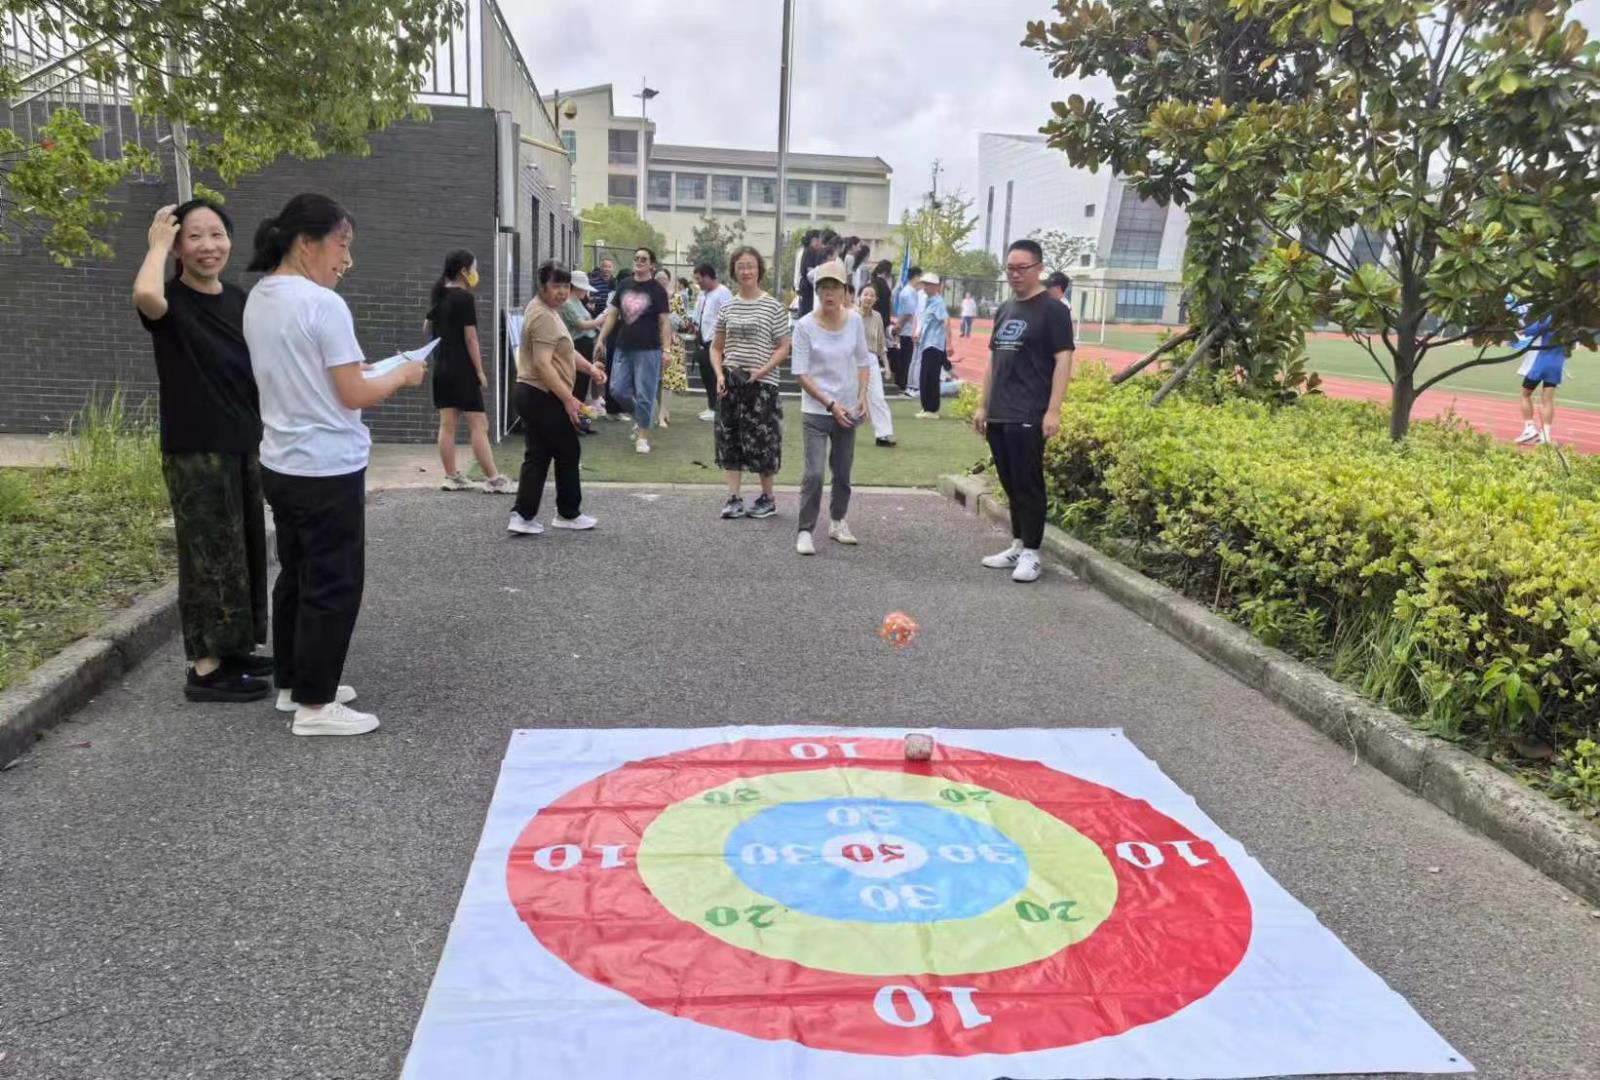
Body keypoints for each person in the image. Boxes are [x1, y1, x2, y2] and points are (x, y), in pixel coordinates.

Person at [244, 193, 426, 735]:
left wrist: (364, 371)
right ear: (307, 243)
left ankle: (296, 681)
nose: (346, 260)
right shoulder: (323, 304)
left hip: (281, 459)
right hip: (326, 465)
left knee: (298, 575)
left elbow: (311, 371)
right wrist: (402, 374)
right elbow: (353, 394)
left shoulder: (261, 296)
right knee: (333, 582)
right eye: (342, 245)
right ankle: (317, 706)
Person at [133, 199, 271, 704]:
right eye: (194, 237)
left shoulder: (237, 299)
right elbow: (144, 291)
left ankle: (234, 650)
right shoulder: (167, 301)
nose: (208, 246)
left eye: (216, 234)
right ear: (176, 247)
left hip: (242, 442)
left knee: (243, 552)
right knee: (208, 556)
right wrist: (155, 246)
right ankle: (205, 669)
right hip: (195, 448)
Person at [974, 239, 1076, 584]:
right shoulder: (1005, 309)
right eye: (1010, 268)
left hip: (1030, 410)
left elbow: (1063, 360)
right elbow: (993, 359)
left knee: (1029, 482)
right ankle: (1017, 543)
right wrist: (982, 404)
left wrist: (1053, 410)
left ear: (1039, 269)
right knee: (1010, 481)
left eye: (1022, 268)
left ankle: (1033, 551)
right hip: (1000, 411)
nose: (1015, 274)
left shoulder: (1054, 310)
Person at [508, 261, 607, 536]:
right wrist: (568, 398)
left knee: (538, 454)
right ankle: (567, 513)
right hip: (541, 393)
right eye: (556, 286)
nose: (562, 292)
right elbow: (542, 364)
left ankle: (522, 515)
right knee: (567, 450)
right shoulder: (542, 315)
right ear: (542, 287)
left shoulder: (547, 311)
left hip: (533, 393)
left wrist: (589, 368)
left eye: (566, 286)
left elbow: (563, 352)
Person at [791, 260, 872, 556]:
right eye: (823, 287)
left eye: (834, 287)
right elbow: (801, 373)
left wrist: (862, 395)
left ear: (844, 292)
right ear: (817, 291)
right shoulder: (804, 326)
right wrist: (829, 403)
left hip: (848, 408)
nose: (829, 293)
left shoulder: (854, 321)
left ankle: (838, 521)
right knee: (813, 474)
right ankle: (805, 530)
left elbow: (864, 362)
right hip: (816, 409)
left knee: (842, 472)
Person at [711, 246, 791, 520]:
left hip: (763, 384)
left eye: (751, 266)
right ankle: (733, 498)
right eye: (741, 266)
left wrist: (763, 369)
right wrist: (720, 374)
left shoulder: (773, 306)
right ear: (734, 271)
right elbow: (716, 347)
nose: (746, 271)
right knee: (729, 439)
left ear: (759, 271)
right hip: (731, 382)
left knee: (762, 441)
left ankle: (767, 497)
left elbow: (783, 347)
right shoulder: (728, 306)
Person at [426, 249, 515, 493]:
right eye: (474, 268)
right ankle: (494, 479)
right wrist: (479, 370)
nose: (476, 273)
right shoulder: (464, 298)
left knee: (447, 425)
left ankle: (451, 476)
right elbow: (471, 339)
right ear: (464, 271)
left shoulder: (439, 296)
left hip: (441, 369)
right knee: (479, 423)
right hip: (462, 369)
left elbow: (427, 324)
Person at [595, 248, 671, 453]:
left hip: (649, 349)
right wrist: (601, 339)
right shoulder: (624, 285)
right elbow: (612, 315)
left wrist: (667, 350)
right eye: (636, 258)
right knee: (616, 389)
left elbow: (664, 322)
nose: (639, 261)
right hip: (623, 347)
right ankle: (642, 418)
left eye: (644, 259)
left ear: (651, 265)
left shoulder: (657, 289)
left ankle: (642, 437)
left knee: (645, 393)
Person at [1514, 304, 1568, 445]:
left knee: (1525, 394)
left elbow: (1528, 331)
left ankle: (1529, 428)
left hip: (1541, 362)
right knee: (1548, 401)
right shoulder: (1569, 322)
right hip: (1557, 364)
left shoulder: (1548, 318)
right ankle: (1546, 435)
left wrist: (1519, 328)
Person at [560, 270, 605, 435]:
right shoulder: (567, 304)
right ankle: (573, 423)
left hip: (586, 345)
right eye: (583, 288)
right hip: (576, 345)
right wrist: (600, 320)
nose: (585, 292)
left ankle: (582, 422)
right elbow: (581, 325)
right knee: (576, 385)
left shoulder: (578, 302)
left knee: (583, 384)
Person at [857, 283, 896, 448]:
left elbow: (881, 344)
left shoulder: (878, 317)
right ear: (859, 297)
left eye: (872, 295)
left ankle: (883, 435)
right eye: (865, 294)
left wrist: (886, 366)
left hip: (871, 359)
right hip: (851, 360)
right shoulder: (851, 315)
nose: (868, 297)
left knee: (878, 397)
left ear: (876, 299)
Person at [691, 262, 731, 422]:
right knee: (706, 375)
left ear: (707, 277)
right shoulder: (703, 294)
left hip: (717, 342)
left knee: (716, 376)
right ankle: (711, 406)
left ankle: (719, 408)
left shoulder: (723, 293)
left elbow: (729, 317)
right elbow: (699, 315)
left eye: (699, 278)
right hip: (703, 339)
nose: (697, 282)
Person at [915, 272, 951, 418]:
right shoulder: (928, 301)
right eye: (925, 284)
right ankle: (926, 407)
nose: (925, 287)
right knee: (925, 376)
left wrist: (948, 344)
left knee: (930, 376)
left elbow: (946, 321)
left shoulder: (938, 302)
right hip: (927, 343)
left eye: (929, 284)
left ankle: (932, 409)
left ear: (936, 286)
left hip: (934, 344)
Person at [658, 269, 690, 427]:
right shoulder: (651, 297)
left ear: (669, 280)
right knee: (656, 380)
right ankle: (660, 412)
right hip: (652, 342)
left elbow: (684, 321)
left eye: (664, 278)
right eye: (658, 278)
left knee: (667, 380)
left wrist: (670, 323)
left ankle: (663, 413)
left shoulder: (676, 298)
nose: (661, 280)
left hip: (672, 343)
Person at [891, 266, 923, 393]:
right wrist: (899, 326)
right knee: (905, 359)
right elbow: (909, 313)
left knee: (906, 359)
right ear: (915, 276)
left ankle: (902, 383)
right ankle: (901, 384)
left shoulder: (911, 291)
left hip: (909, 330)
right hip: (906, 331)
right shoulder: (908, 292)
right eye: (919, 277)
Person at [795, 229, 825, 317]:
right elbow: (809, 271)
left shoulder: (811, 251)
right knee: (807, 315)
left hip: (807, 287)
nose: (821, 242)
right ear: (814, 240)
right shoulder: (809, 251)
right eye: (820, 239)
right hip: (807, 288)